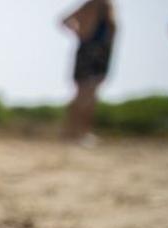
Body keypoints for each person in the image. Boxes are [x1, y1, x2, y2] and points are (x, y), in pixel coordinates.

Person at [61, 0, 116, 145]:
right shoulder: (102, 4)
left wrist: (80, 33)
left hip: (87, 49)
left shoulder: (91, 4)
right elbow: (64, 20)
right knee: (89, 94)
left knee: (81, 93)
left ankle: (71, 132)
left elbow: (65, 20)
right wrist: (83, 34)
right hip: (96, 51)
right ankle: (81, 133)